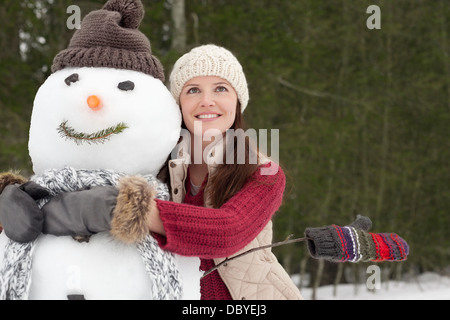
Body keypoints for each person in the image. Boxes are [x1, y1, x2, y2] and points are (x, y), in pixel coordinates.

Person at [0, 45, 303, 300]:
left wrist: (129, 208)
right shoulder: (158, 165)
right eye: (193, 89)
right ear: (178, 104)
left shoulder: (264, 172)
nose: (206, 101)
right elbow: (88, 186)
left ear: (238, 102)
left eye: (221, 89)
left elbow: (228, 231)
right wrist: (25, 202)